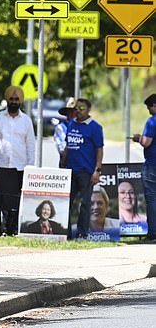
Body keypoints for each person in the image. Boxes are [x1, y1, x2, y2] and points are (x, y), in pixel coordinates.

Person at [0, 85, 35, 235]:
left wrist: (30, 168)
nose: (14, 102)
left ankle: (11, 230)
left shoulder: (26, 121)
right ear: (7, 100)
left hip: (19, 168)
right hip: (1, 166)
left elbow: (31, 146)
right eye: (11, 99)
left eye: (16, 99)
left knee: (15, 201)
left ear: (21, 101)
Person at [62, 98, 104, 239]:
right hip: (70, 171)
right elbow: (68, 146)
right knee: (66, 202)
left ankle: (82, 233)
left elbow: (99, 150)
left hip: (86, 171)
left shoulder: (95, 127)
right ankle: (65, 233)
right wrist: (63, 164)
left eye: (82, 109)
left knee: (85, 204)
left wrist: (97, 171)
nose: (78, 111)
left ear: (88, 110)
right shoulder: (71, 124)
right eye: (77, 108)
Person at [132, 93, 156, 240]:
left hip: (153, 164)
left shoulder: (152, 122)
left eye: (149, 107)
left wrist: (138, 138)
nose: (148, 111)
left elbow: (146, 142)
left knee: (152, 198)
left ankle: (153, 232)